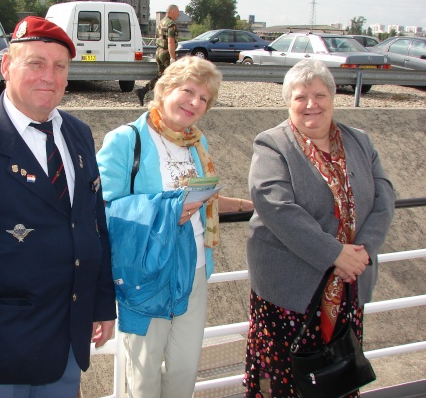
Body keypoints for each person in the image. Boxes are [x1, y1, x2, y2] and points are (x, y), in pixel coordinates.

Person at [0, 16, 117, 398]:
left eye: (59, 66)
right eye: (36, 63)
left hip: (67, 338)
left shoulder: (78, 134)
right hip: (1, 354)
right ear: (7, 66)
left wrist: (102, 303)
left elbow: (94, 224)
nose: (50, 76)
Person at [97, 56, 254, 398]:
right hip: (148, 274)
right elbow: (101, 210)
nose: (195, 103)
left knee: (184, 370)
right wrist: (165, 212)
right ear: (165, 89)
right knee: (144, 374)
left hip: (193, 268)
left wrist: (249, 206)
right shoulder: (126, 140)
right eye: (188, 91)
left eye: (204, 99)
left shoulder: (197, 143)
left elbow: (201, 198)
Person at [243, 60, 395, 397]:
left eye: (319, 94)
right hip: (290, 289)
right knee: (286, 377)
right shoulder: (271, 144)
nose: (311, 104)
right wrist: (335, 253)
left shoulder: (360, 141)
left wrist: (362, 252)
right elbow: (276, 206)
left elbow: (385, 198)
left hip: (350, 281)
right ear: (288, 102)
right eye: (301, 97)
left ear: (333, 96)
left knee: (338, 373)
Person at [135, 4, 180, 106]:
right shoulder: (171, 24)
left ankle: (144, 91)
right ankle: (164, 99)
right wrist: (173, 57)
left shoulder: (161, 23)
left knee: (161, 76)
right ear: (172, 11)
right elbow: (170, 41)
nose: (178, 14)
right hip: (166, 53)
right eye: (177, 12)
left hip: (158, 52)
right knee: (169, 77)